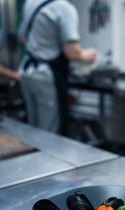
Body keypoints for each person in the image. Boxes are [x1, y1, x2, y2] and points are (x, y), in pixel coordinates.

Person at [18, 0, 96, 133]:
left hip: (27, 73)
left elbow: (21, 38)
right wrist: (88, 55)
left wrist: (40, 47)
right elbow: (72, 52)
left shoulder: (30, 3)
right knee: (50, 134)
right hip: (46, 77)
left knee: (33, 130)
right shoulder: (63, 8)